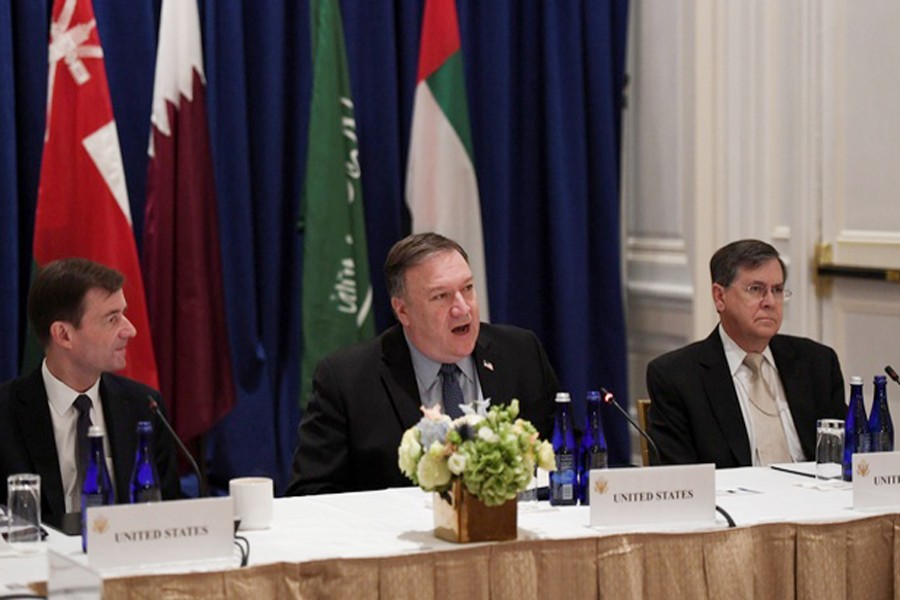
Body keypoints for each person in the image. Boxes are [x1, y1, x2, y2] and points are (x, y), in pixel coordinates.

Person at [287, 233, 560, 495]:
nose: (462, 308)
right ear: (403, 310)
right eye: (441, 296)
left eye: (467, 288)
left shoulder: (521, 354)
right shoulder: (346, 380)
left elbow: (563, 457)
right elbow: (311, 494)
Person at [0, 258, 180, 528]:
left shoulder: (144, 406)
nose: (130, 330)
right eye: (112, 318)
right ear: (64, 335)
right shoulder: (5, 412)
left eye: (124, 313)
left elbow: (169, 510)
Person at [646, 239, 846, 468]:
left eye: (777, 290)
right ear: (720, 297)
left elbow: (845, 457)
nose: (770, 302)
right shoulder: (677, 377)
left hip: (817, 500)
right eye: (756, 289)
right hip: (729, 502)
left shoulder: (817, 363)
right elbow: (681, 480)